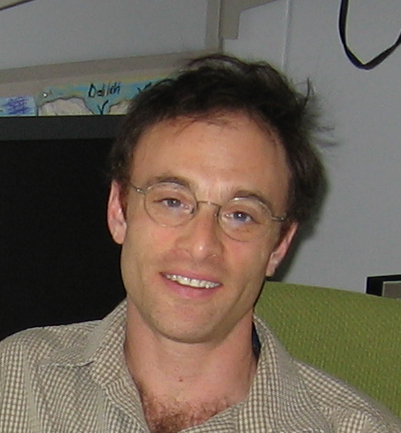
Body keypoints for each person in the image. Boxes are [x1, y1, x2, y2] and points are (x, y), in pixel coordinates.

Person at [0, 53, 400, 433]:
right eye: (172, 202)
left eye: (241, 215)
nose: (201, 245)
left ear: (279, 245)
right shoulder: (16, 381)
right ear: (119, 211)